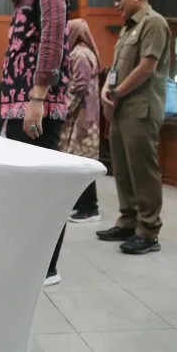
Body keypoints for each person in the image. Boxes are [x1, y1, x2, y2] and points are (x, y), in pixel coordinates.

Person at [0, 0, 70, 287]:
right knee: (25, 190)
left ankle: (46, 267)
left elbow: (51, 45)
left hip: (36, 108)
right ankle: (27, 260)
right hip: (20, 108)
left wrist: (37, 98)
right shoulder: (22, 1)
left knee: (43, 189)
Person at [96, 0, 171, 255]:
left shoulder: (154, 23)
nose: (116, 4)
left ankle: (148, 231)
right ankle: (128, 221)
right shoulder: (128, 28)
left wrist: (116, 93)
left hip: (141, 109)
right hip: (120, 109)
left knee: (142, 170)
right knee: (123, 169)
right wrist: (105, 89)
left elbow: (147, 67)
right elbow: (115, 68)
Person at [59, 19, 102, 223]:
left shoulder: (80, 54)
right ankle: (81, 204)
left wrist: (64, 110)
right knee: (79, 160)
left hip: (82, 117)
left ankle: (90, 208)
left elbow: (78, 86)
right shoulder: (83, 52)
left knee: (83, 163)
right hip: (85, 115)